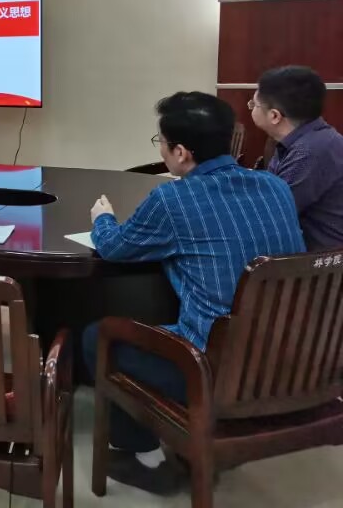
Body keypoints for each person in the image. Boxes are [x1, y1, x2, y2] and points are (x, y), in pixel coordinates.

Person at [83, 92, 304, 495]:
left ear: (181, 152)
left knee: (98, 336)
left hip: (215, 371)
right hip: (291, 360)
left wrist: (103, 219)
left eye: (162, 143)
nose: (162, 149)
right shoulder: (276, 187)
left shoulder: (173, 199)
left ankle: (143, 457)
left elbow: (115, 247)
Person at [250, 66, 343, 250]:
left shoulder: (310, 151)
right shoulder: (304, 140)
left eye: (254, 104)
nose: (251, 108)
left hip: (323, 261)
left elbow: (270, 214)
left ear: (274, 116)